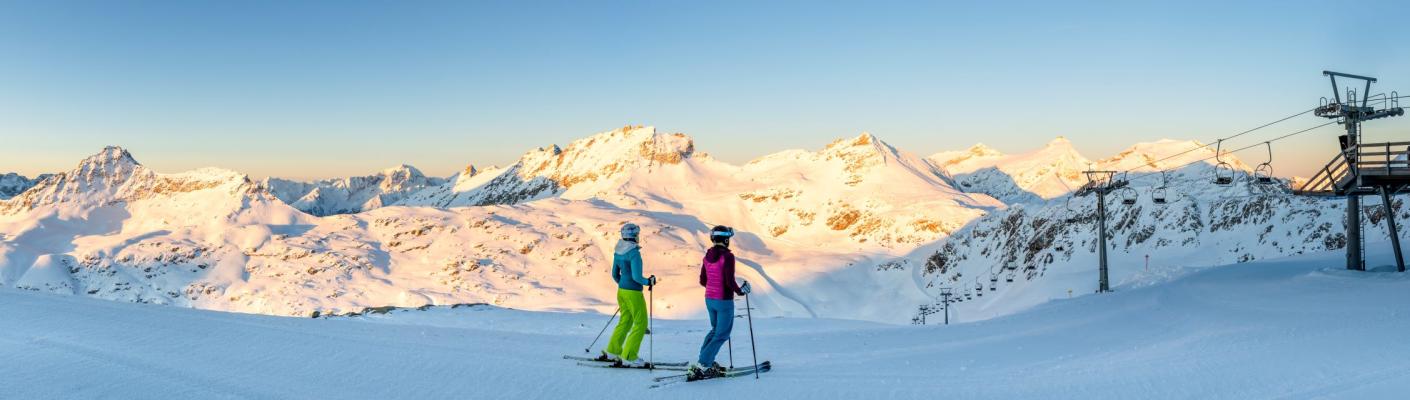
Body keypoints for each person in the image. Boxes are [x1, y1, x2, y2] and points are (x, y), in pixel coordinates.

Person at [688, 225, 751, 379]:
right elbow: (729, 281)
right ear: (726, 239)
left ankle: (704, 361)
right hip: (724, 301)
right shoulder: (728, 257)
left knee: (715, 331)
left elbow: (703, 280)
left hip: (709, 299)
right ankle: (704, 365)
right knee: (722, 334)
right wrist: (740, 291)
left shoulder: (707, 255)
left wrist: (713, 288)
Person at [597, 223, 656, 367]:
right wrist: (649, 281)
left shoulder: (618, 251)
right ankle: (629, 356)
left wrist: (623, 285)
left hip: (622, 291)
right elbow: (637, 277)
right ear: (635, 236)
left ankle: (612, 351)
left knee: (625, 321)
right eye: (637, 234)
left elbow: (614, 274)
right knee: (641, 323)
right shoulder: (634, 253)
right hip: (633, 292)